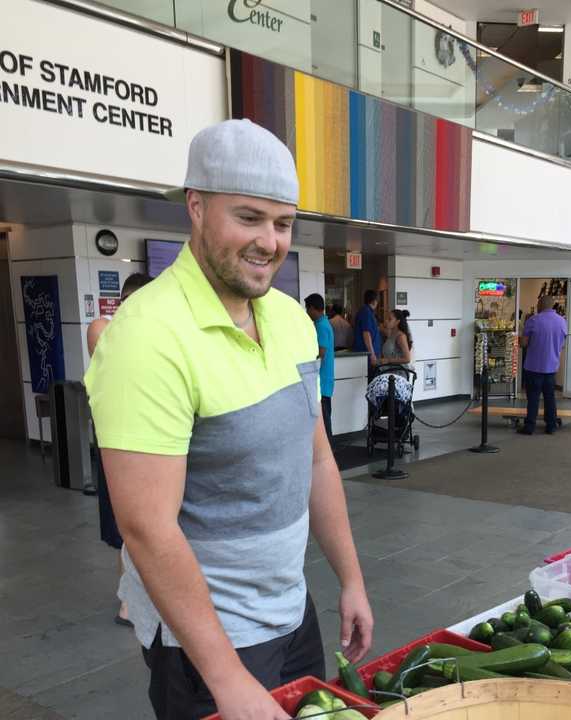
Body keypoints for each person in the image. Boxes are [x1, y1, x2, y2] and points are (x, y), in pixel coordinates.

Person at [84, 119, 373, 720]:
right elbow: (147, 529)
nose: (270, 241)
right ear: (196, 206)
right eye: (248, 217)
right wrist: (227, 678)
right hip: (208, 644)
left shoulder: (291, 319)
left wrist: (350, 578)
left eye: (284, 222)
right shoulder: (147, 336)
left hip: (291, 611)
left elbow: (315, 457)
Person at [87, 271, 152, 628]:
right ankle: (129, 601)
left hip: (150, 443)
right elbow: (115, 361)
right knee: (126, 529)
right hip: (119, 446)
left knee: (144, 527)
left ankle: (136, 598)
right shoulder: (104, 328)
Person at [518, 295, 568, 435]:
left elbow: (524, 343)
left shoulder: (533, 320)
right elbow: (562, 341)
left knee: (533, 398)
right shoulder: (562, 321)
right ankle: (551, 425)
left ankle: (529, 426)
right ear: (552, 306)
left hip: (533, 367)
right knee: (550, 397)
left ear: (540, 305)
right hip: (551, 367)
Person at [305, 293, 335, 441]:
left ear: (312, 308)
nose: (307, 313)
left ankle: (328, 446)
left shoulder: (321, 326)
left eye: (307, 309)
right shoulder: (324, 323)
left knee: (324, 416)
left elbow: (321, 353)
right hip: (325, 379)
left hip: (322, 380)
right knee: (324, 414)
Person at [353, 290, 382, 368]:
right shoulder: (366, 312)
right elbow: (366, 334)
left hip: (368, 354)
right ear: (374, 301)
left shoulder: (368, 312)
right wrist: (372, 354)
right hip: (367, 356)